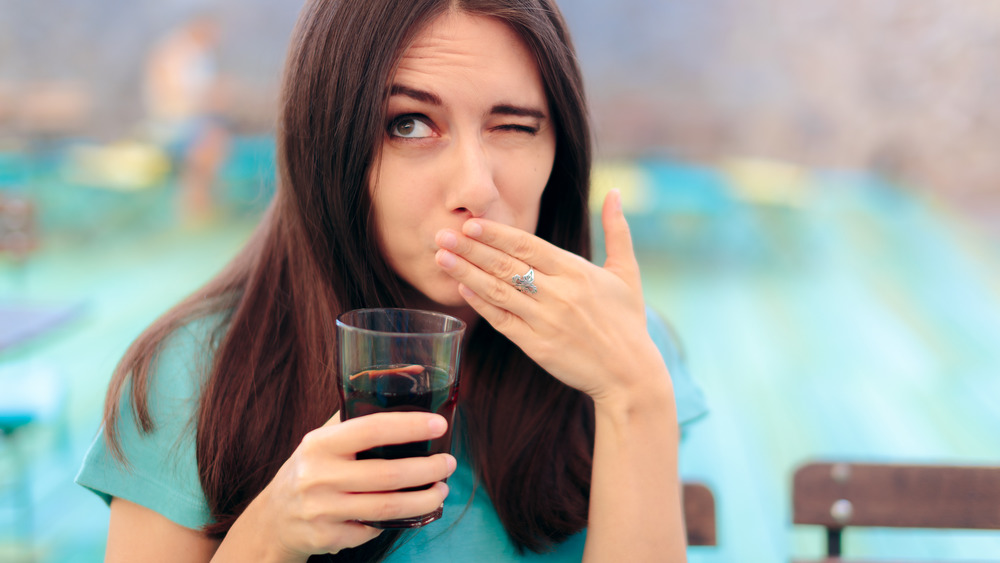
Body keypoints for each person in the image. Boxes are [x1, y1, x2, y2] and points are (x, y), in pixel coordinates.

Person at [76, 0, 708, 561]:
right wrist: (269, 536)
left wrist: (635, 397)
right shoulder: (194, 371)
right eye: (409, 123)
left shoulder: (627, 348)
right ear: (327, 146)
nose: (476, 189)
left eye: (513, 126)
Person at [142, 15, 230, 222]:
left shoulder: (201, 53)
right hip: (175, 122)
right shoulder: (174, 51)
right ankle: (195, 209)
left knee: (215, 140)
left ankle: (204, 206)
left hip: (198, 120)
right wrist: (210, 99)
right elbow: (171, 98)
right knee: (208, 145)